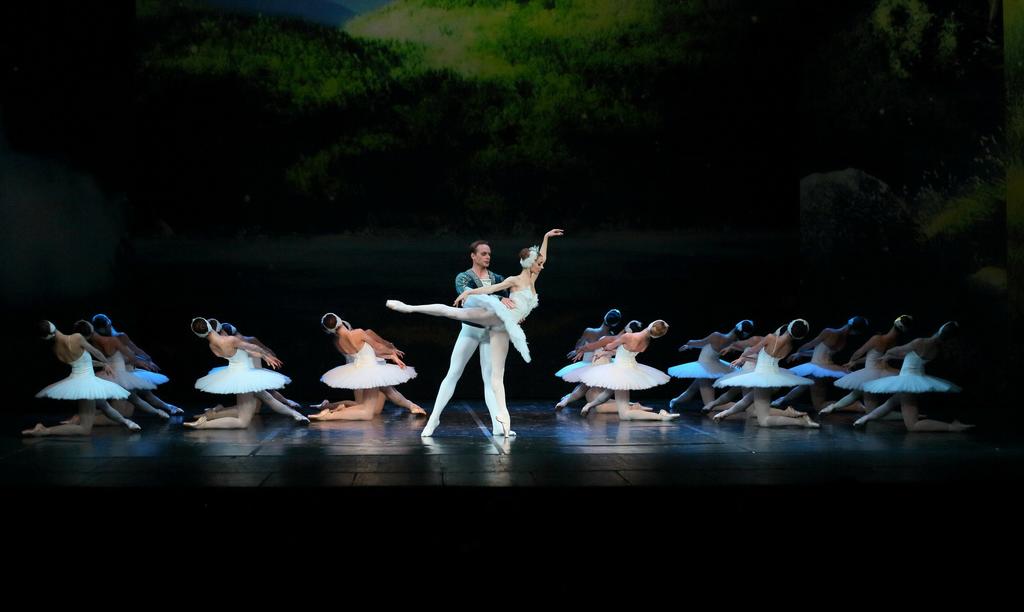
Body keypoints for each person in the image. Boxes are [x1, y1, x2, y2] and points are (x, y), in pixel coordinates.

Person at [387, 229, 564, 437]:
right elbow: (469, 299)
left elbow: (514, 297)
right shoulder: (464, 277)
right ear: (474, 256)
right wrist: (498, 300)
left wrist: (516, 312)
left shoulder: (499, 277)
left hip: (492, 330)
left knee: (492, 380)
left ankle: (499, 425)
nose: (488, 256)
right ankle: (434, 419)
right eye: (483, 253)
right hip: (471, 329)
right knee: (453, 372)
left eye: (489, 253)